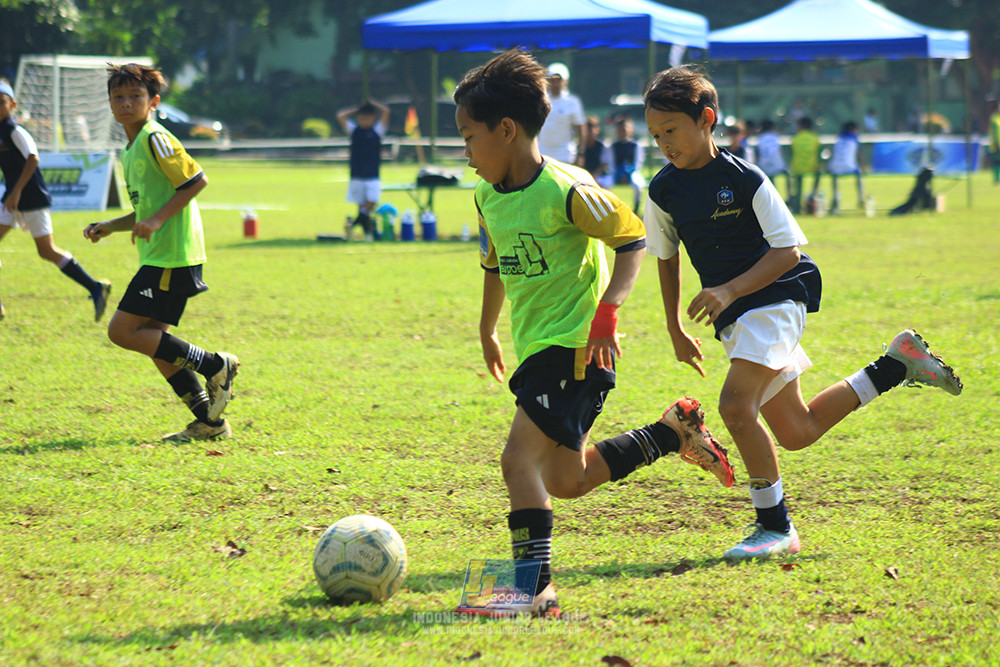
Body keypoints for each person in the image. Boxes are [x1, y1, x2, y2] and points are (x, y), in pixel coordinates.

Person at [641, 65, 963, 562]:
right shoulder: (663, 189)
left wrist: (727, 289)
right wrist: (674, 327)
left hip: (775, 297)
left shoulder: (745, 178)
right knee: (797, 430)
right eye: (655, 134)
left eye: (671, 130)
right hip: (736, 316)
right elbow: (665, 257)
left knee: (734, 407)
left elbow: (788, 251)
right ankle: (896, 365)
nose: (663, 142)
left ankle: (774, 527)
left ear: (706, 120)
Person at [452, 50, 733, 618]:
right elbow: (494, 265)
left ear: (506, 131)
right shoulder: (486, 196)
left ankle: (533, 592)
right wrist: (487, 329)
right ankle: (671, 433)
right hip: (539, 349)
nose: (464, 150)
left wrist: (609, 311)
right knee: (565, 477)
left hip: (578, 347)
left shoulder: (567, 189)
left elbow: (632, 241)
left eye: (468, 136)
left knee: (517, 463)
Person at [84, 63, 239, 443]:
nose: (126, 103)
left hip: (172, 254)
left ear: (152, 102)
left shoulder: (156, 138)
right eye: (118, 97)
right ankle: (210, 422)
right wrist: (111, 227)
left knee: (122, 331)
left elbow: (195, 181)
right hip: (162, 254)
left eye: (135, 96)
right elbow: (147, 208)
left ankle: (216, 364)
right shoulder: (132, 147)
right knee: (158, 345)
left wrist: (154, 222)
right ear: (109, 103)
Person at [0, 79, 111, 322]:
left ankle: (95, 287)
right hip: (10, 199)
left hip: (30, 198)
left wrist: (17, 191)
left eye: (2, 102)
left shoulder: (14, 130)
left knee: (47, 251)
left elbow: (33, 159)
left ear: (13, 104)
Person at [336, 99, 390, 241]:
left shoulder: (377, 131)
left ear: (373, 118)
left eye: (368, 118)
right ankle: (368, 233)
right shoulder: (354, 131)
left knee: (372, 200)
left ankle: (354, 222)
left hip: (372, 174)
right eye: (362, 118)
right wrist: (357, 108)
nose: (365, 121)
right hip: (357, 174)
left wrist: (373, 103)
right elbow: (340, 116)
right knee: (361, 204)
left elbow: (386, 111)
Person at [537, 62, 585, 164]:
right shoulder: (540, 100)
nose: (555, 84)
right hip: (543, 153)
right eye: (553, 80)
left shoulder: (572, 102)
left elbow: (580, 129)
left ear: (565, 82)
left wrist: (581, 153)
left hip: (565, 154)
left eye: (558, 81)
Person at [609, 116, 646, 213]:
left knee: (638, 185)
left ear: (630, 130)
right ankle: (610, 209)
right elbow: (611, 163)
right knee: (604, 183)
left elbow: (638, 163)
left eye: (624, 129)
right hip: (616, 172)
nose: (622, 131)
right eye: (619, 129)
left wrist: (628, 174)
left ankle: (636, 210)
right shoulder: (613, 146)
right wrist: (618, 174)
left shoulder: (636, 145)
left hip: (632, 172)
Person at [827, 121, 864, 214]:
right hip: (849, 167)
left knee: (834, 175)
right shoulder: (854, 139)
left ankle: (835, 197)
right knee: (859, 174)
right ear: (853, 130)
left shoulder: (838, 139)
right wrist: (864, 165)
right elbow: (859, 155)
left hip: (834, 167)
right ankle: (861, 198)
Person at [788, 116, 821, 214]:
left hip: (797, 168)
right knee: (818, 176)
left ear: (801, 126)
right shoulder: (814, 138)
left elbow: (791, 153)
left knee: (797, 187)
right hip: (812, 167)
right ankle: (812, 196)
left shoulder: (795, 138)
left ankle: (796, 207)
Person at [755, 119, 789, 198]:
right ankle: (788, 199)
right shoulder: (776, 137)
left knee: (768, 184)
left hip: (763, 166)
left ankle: (770, 198)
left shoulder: (760, 139)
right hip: (778, 166)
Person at [579, 115, 611, 188]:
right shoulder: (579, 146)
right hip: (583, 176)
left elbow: (603, 165)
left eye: (591, 130)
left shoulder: (602, 146)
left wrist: (593, 176)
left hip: (599, 176)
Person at [989, 101, 1000, 186]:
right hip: (996, 145)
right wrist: (996, 143)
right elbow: (994, 132)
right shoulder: (994, 118)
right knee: (996, 162)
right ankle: (996, 179)